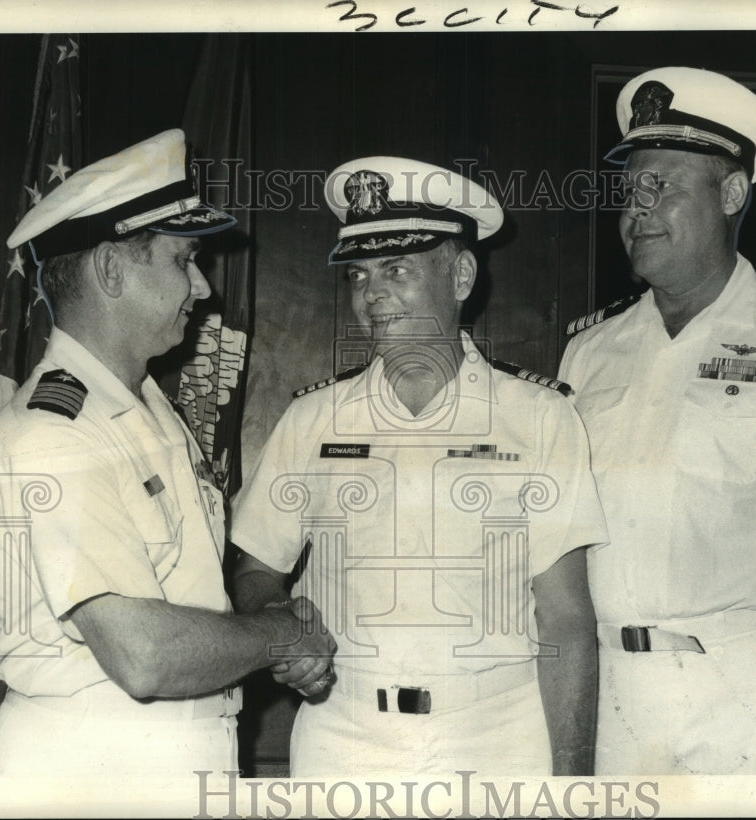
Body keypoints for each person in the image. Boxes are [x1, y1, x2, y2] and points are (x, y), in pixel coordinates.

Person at [0, 129, 336, 778]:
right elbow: (142, 654)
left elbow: (191, 594)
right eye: (181, 260)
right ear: (112, 269)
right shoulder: (57, 434)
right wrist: (283, 635)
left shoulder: (146, 408)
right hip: (91, 773)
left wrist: (271, 620)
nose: (202, 288)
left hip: (163, 761)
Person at [229, 156, 609, 776]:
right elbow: (255, 568)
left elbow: (565, 616)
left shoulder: (540, 416)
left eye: (396, 269)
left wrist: (572, 783)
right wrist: (278, 620)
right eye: (358, 274)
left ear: (460, 275)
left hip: (495, 739)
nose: (371, 294)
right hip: (343, 736)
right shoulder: (313, 418)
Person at [558, 67, 756, 775]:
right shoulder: (588, 349)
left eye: (661, 186)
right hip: (611, 695)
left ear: (731, 194)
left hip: (748, 689)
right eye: (628, 192)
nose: (637, 210)